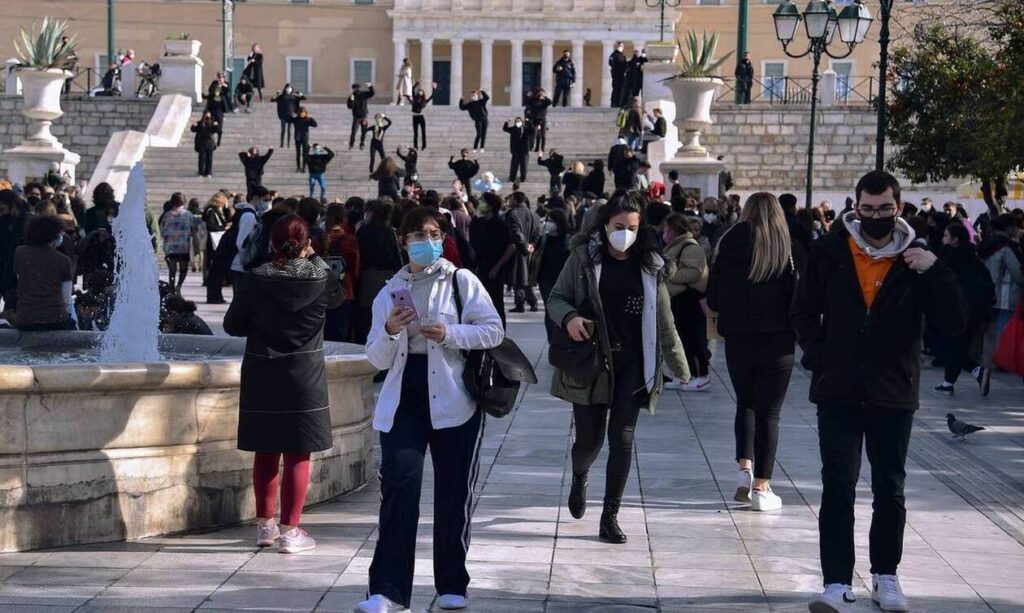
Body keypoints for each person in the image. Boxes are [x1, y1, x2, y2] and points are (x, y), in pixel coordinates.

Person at [792, 171, 967, 613]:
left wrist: (937, 270)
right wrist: (820, 356)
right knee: (838, 487)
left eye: (883, 210)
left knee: (890, 488)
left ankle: (885, 576)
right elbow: (803, 310)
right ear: (856, 207)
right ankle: (835, 583)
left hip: (894, 390)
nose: (875, 217)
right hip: (839, 389)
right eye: (867, 210)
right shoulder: (831, 250)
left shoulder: (916, 258)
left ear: (899, 206)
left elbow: (955, 320)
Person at [357, 206, 503, 613]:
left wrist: (450, 333)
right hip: (405, 396)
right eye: (418, 235)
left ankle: (452, 583)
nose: (427, 241)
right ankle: (387, 589)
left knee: (454, 490)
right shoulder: (390, 291)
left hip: (454, 396)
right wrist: (390, 329)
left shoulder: (461, 280)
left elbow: (493, 329)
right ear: (403, 241)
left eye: (434, 233)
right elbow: (376, 358)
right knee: (400, 485)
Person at [547, 191, 689, 543]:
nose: (624, 233)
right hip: (592, 362)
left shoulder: (651, 267)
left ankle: (610, 516)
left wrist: (679, 365)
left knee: (622, 439)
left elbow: (665, 321)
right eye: (618, 226)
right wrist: (570, 318)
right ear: (606, 225)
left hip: (633, 364)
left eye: (632, 227)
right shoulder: (583, 258)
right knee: (589, 443)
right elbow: (556, 298)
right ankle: (581, 475)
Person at [224, 214, 343, 555]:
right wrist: (314, 255)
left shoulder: (255, 280)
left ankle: (265, 525)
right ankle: (291, 530)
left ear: (272, 243)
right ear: (308, 243)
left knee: (266, 449)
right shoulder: (322, 278)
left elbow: (233, 325)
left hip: (263, 371)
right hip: (305, 373)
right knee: (297, 452)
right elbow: (336, 300)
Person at [705, 193, 796, 512]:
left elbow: (713, 299)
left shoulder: (728, 243)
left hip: (739, 339)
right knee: (770, 413)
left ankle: (745, 470)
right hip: (778, 341)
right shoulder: (786, 248)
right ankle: (762, 487)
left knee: (745, 404)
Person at [934, 221, 995, 396]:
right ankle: (949, 382)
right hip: (975, 309)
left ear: (955, 240)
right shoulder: (973, 258)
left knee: (951, 345)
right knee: (959, 344)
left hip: (954, 308)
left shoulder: (946, 257)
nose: (943, 239)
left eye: (946, 236)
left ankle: (975, 370)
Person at [662, 213, 711, 391]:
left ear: (674, 229)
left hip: (688, 299)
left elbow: (694, 272)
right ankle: (683, 374)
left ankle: (701, 374)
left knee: (693, 339)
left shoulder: (690, 247)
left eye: (667, 229)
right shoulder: (672, 247)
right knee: (679, 340)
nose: (665, 232)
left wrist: (670, 273)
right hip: (675, 299)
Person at [353, 200, 404, 344]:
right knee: (385, 311)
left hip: (368, 276)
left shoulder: (364, 231)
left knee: (365, 314)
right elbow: (397, 258)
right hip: (387, 275)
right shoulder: (390, 232)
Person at [12, 215, 73, 331]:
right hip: (55, 318)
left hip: (25, 317)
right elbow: (66, 299)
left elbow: (20, 282)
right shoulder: (63, 260)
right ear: (53, 235)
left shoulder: (19, 253)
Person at [470, 192, 513, 327]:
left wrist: (497, 267)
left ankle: (500, 330)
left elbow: (511, 246)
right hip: (482, 268)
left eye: (483, 201)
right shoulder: (480, 222)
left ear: (491, 205)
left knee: (496, 302)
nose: (480, 203)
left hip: (494, 270)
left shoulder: (500, 223)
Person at [979, 213, 1022, 341]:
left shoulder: (985, 244)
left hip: (986, 293)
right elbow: (1018, 274)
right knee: (1003, 333)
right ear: (1008, 228)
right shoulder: (1007, 246)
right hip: (1005, 297)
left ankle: (987, 359)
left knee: (989, 334)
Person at [537, 207, 571, 340]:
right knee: (549, 308)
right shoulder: (544, 238)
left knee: (562, 309)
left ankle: (562, 338)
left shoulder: (568, 239)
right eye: (547, 220)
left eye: (551, 220)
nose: (548, 223)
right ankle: (552, 340)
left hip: (563, 280)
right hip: (545, 279)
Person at [504, 191, 541, 313]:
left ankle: (521, 302)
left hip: (518, 250)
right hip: (530, 249)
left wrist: (525, 246)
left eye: (511, 199)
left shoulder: (512, 214)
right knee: (525, 278)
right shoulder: (534, 215)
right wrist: (532, 245)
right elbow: (538, 232)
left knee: (519, 278)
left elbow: (516, 232)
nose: (509, 202)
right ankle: (531, 301)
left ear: (515, 200)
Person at [159, 192, 203, 292]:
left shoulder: (167, 215)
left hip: (170, 247)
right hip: (184, 247)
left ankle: (172, 286)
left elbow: (162, 230)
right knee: (183, 269)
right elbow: (195, 229)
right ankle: (179, 286)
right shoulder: (188, 215)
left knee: (172, 270)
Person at [406, 81, 436, 149]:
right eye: (419, 91)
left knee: (423, 132)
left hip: (420, 117)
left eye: (421, 92)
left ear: (423, 94)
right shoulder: (414, 98)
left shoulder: (424, 101)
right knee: (415, 133)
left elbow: (432, 96)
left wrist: (434, 88)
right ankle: (415, 146)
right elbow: (412, 89)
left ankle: (424, 145)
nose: (420, 92)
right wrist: (417, 83)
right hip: (414, 117)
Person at [205, 73, 232, 146]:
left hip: (220, 108)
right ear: (217, 78)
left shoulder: (226, 84)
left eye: (222, 78)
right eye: (219, 78)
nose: (221, 79)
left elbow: (228, 91)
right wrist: (217, 86)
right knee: (211, 125)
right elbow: (210, 90)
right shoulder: (214, 84)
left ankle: (219, 141)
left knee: (219, 126)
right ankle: (211, 140)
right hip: (213, 107)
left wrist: (223, 86)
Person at [347, 82, 375, 149]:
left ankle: (362, 144)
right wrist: (352, 100)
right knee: (354, 131)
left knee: (364, 131)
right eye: (354, 89)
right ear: (353, 89)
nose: (356, 90)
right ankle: (351, 145)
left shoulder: (363, 94)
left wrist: (370, 86)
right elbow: (350, 106)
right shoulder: (351, 96)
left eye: (357, 88)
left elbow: (372, 93)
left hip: (363, 117)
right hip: (356, 117)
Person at [503, 117, 531, 183]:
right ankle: (512, 177)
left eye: (519, 121)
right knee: (514, 165)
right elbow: (505, 129)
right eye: (516, 121)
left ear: (522, 122)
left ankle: (523, 177)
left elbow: (532, 130)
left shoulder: (525, 129)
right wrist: (507, 122)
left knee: (524, 165)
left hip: (524, 150)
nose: (518, 122)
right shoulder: (513, 129)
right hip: (515, 150)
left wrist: (529, 122)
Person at [191, 112, 218, 177]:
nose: (207, 119)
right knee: (201, 158)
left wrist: (216, 125)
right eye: (206, 117)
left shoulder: (211, 123)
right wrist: (193, 126)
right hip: (201, 143)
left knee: (209, 158)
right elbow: (193, 130)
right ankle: (201, 172)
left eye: (208, 117)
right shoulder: (199, 123)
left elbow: (215, 130)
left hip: (209, 144)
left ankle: (208, 172)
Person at [292, 107, 318, 173]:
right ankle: (298, 167)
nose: (301, 114)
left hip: (304, 138)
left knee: (305, 154)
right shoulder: (296, 119)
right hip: (297, 138)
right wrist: (291, 115)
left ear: (305, 113)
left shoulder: (307, 119)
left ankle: (303, 167)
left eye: (303, 113)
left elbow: (315, 125)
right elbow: (288, 119)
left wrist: (311, 118)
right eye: (300, 113)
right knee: (298, 153)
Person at [608, 42, 627, 107]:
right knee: (615, 89)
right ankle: (614, 103)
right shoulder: (614, 55)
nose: (621, 47)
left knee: (621, 89)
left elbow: (625, 64)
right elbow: (611, 63)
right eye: (620, 46)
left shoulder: (623, 55)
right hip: (616, 75)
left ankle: (619, 103)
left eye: (622, 46)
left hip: (622, 75)